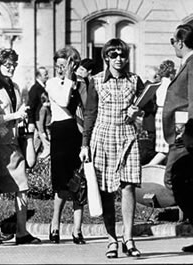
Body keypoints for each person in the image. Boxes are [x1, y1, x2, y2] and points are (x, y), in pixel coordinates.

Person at [79, 38, 144, 258]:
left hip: (127, 136)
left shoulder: (135, 81)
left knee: (128, 186)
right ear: (106, 57)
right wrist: (85, 144)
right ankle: (111, 240)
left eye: (122, 55)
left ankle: (128, 238)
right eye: (113, 55)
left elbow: (149, 107)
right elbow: (89, 114)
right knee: (106, 190)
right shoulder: (96, 81)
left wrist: (139, 113)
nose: (119, 59)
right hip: (103, 135)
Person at [0, 47, 41, 245]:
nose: (11, 67)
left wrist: (22, 120)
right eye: (7, 64)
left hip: (13, 143)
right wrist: (15, 116)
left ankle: (21, 231)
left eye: (14, 64)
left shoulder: (14, 87)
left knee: (21, 185)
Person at [46, 46, 86, 245]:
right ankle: (55, 225)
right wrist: (69, 79)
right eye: (59, 65)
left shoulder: (81, 84)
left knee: (79, 183)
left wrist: (80, 80)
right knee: (62, 184)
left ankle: (77, 230)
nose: (61, 69)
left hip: (78, 132)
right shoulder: (52, 83)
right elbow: (62, 100)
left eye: (66, 65)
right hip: (61, 132)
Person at [162, 24, 193, 252]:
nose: (173, 45)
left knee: (174, 179)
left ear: (180, 42)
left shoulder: (192, 64)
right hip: (181, 134)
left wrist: (188, 132)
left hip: (185, 135)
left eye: (173, 41)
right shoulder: (186, 64)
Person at [148, 60, 176, 165]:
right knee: (166, 148)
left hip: (159, 113)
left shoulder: (159, 84)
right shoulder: (170, 85)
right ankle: (149, 167)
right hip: (167, 113)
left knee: (164, 148)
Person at [27, 67, 49, 158]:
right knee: (37, 144)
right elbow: (30, 106)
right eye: (45, 75)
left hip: (42, 121)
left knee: (38, 144)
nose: (47, 76)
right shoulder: (35, 89)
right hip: (38, 121)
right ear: (39, 76)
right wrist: (31, 122)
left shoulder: (42, 88)